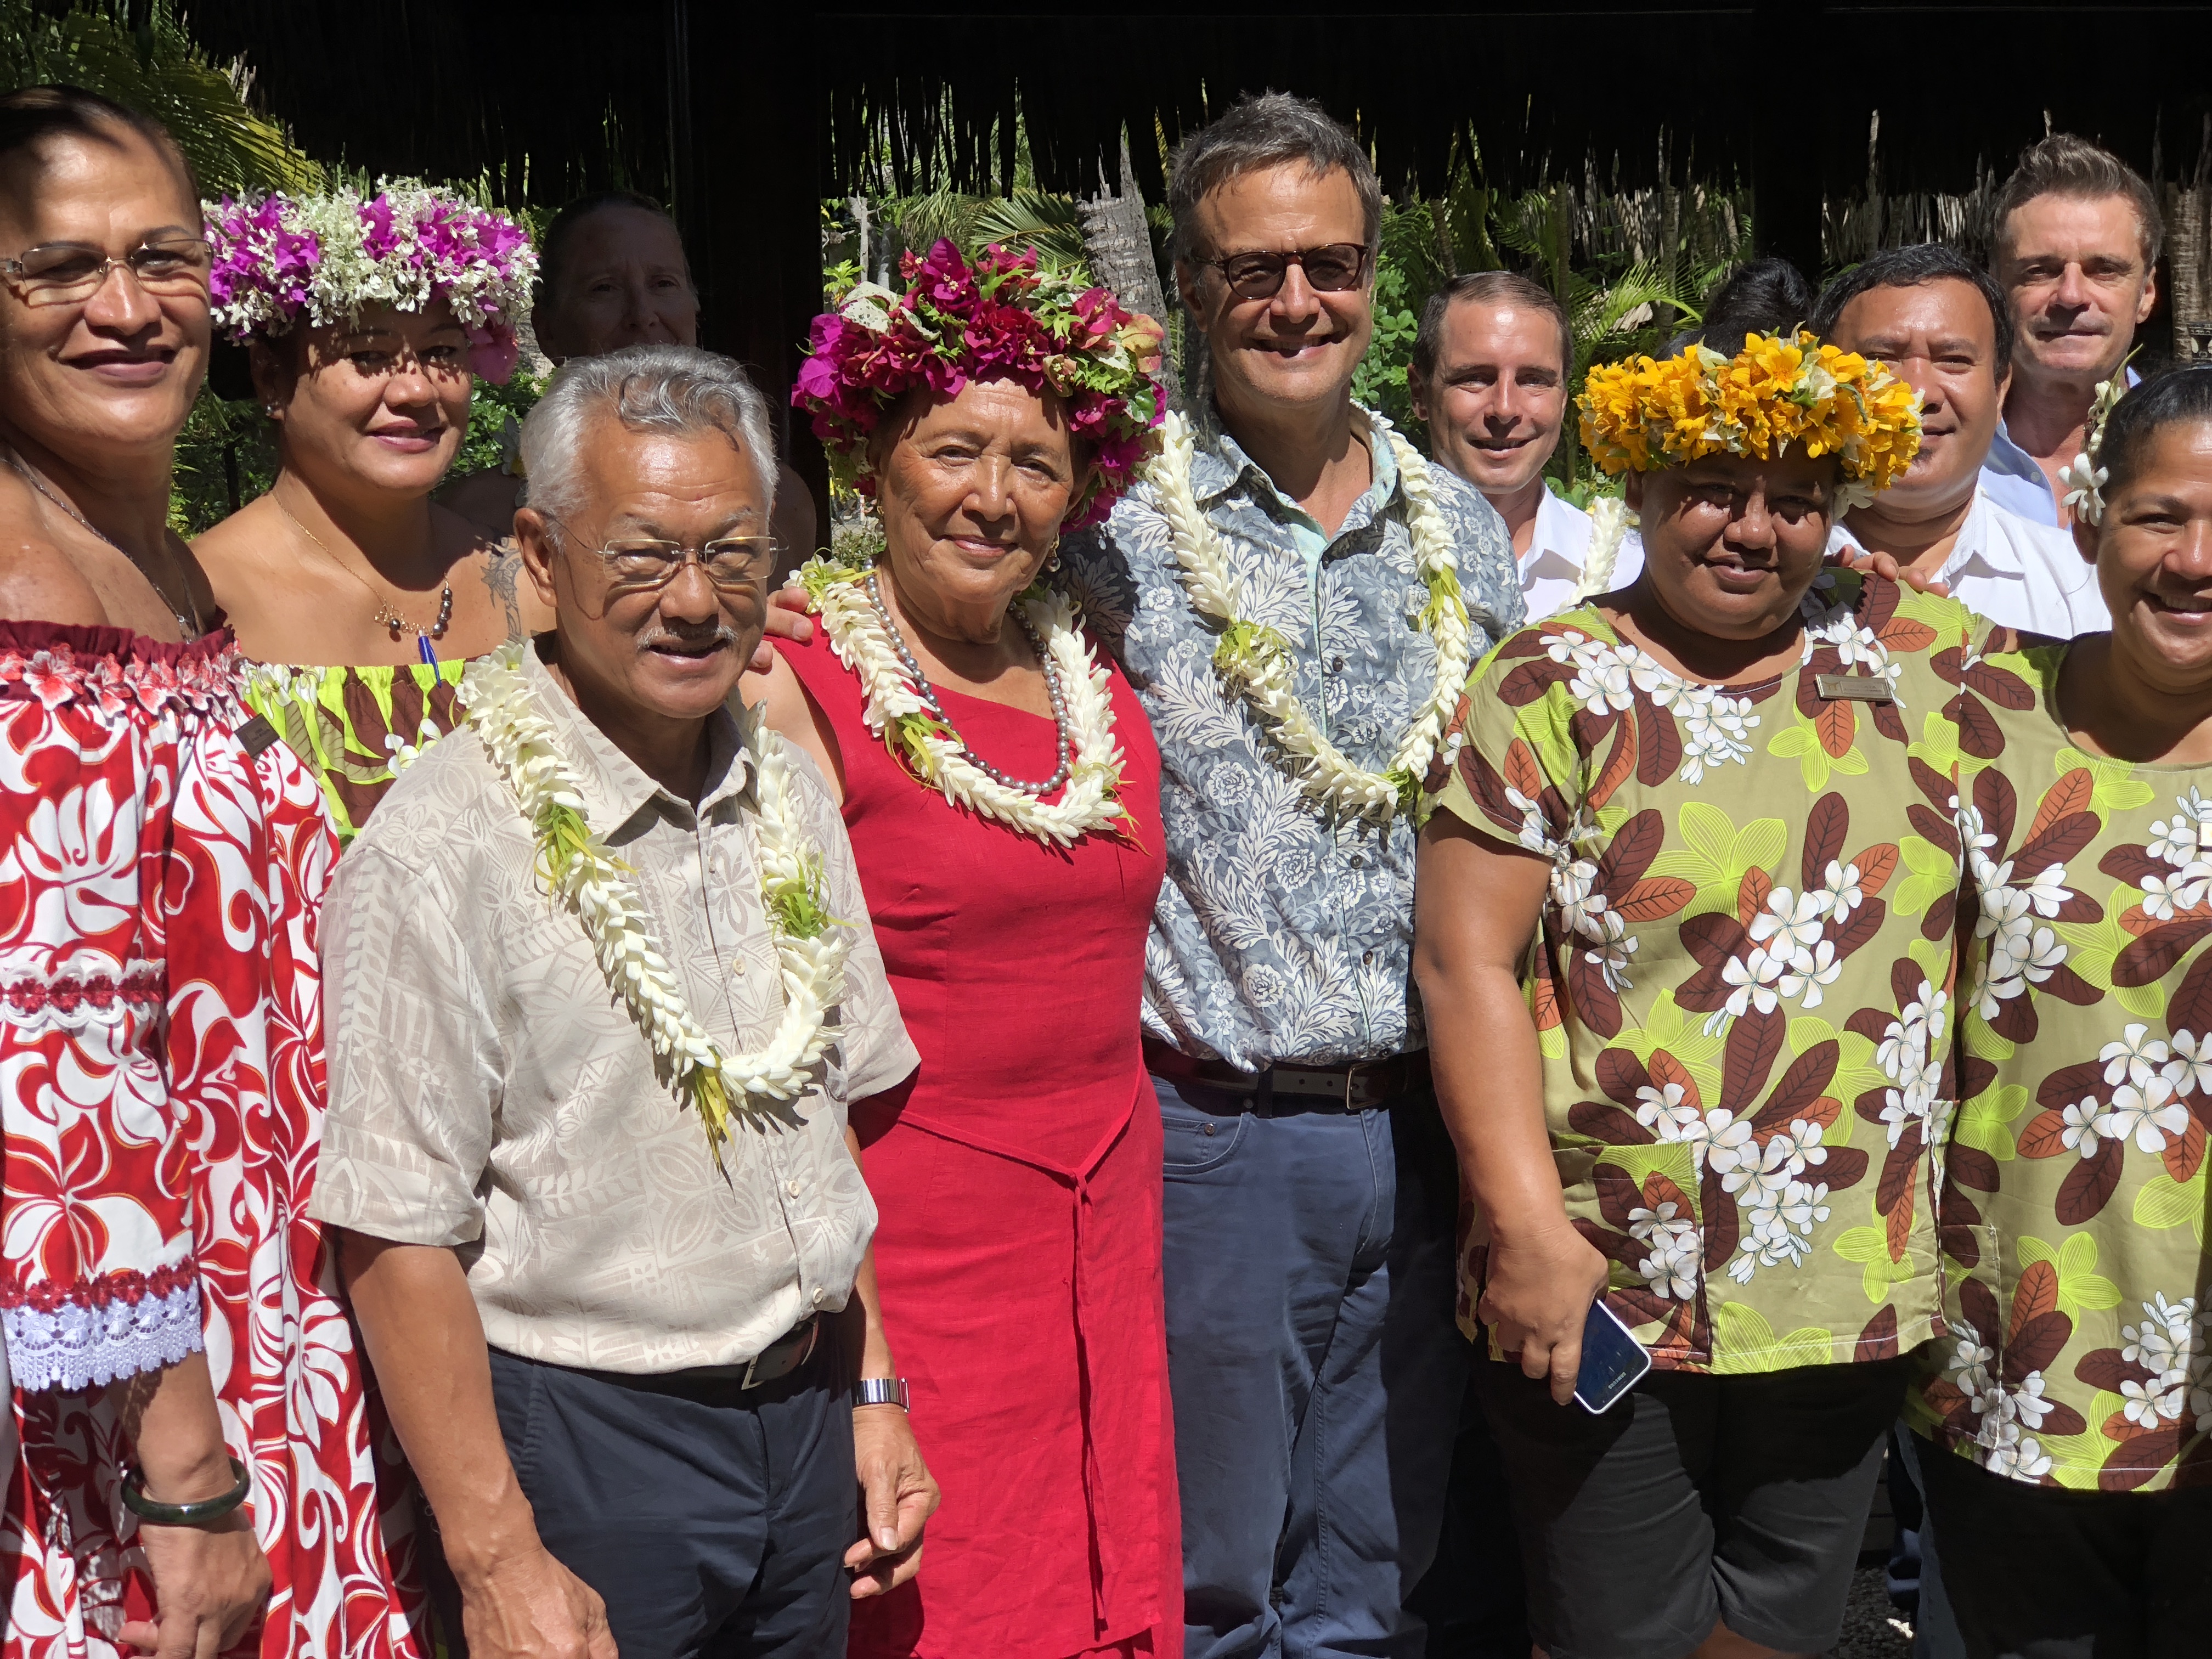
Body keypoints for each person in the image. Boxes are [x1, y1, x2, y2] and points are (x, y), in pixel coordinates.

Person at [311, 345, 937, 1659]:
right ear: (539, 559)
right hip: (590, 1445)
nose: (698, 603)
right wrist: (499, 1560)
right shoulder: (447, 842)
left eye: (736, 553)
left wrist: (873, 1390)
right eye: (644, 555)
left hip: (805, 1422)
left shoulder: (789, 797)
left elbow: (819, 1119)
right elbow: (392, 1231)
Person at [1415, 272, 1968, 1659]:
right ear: (1648, 490)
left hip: (1842, 1269)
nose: (1754, 524)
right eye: (1714, 484)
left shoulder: (1910, 665)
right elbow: (1462, 960)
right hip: (1607, 1267)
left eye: (1795, 495)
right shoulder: (1551, 683)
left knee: (1784, 1628)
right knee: (1620, 1630)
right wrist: (1532, 1233)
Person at [1064, 92, 1520, 1659]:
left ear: (1375, 278)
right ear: (1191, 290)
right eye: (1252, 270)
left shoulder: (1463, 530)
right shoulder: (1108, 524)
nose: (1295, 302)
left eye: (1329, 263)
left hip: (1425, 1133)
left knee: (1380, 1576)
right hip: (1217, 1139)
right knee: (1208, 1578)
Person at [0, 84, 417, 1658]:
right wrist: (179, 1477)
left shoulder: (149, 560)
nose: (123, 308)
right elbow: (52, 1074)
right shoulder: (19, 594)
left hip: (254, 1310)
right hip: (117, 1397)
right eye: (56, 269)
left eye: (160, 257)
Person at [757, 239, 1180, 1657]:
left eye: (1036, 463)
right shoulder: (793, 676)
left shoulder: (1091, 674)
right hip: (917, 1234)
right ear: (872, 465)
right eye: (953, 451)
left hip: (1106, 1211)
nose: (992, 497)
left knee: (1105, 1585)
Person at [1904, 367, 2212, 1657]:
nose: (2195, 560)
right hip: (2018, 1344)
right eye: (2159, 517)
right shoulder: (1976, 719)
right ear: (2089, 522)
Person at [192, 178, 546, 840]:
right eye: (368, 356)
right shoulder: (197, 606)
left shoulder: (531, 586)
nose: (415, 389)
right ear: (272, 378)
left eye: (443, 351)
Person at [442, 189, 820, 565]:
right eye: (604, 288)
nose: (642, 313)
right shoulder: (477, 524)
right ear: (547, 330)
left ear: (694, 305)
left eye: (663, 284)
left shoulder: (782, 506)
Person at [1814, 242, 2107, 635]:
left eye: (1954, 360)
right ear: (1822, 383)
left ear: (2001, 388)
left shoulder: (2081, 588)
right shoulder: (1754, 573)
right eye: (1881, 359)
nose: (1917, 393)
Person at [1410, 269, 1643, 618]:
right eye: (1474, 378)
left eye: (1534, 381)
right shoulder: (1361, 561)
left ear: (1563, 400)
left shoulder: (1632, 575)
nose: (1504, 409)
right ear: (1420, 394)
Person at [1981, 134, 2158, 526]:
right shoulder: (1924, 459)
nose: (2071, 295)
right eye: (2040, 270)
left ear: (2146, 294)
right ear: (1995, 289)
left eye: (2104, 270)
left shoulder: (2196, 450)